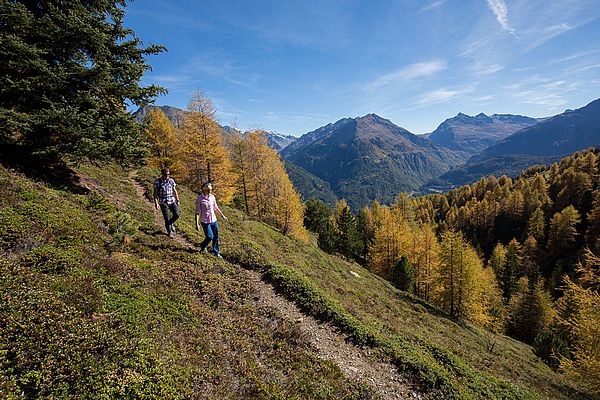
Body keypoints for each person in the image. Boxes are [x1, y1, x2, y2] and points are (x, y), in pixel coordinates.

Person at [195, 182, 228, 258]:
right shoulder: (199, 199)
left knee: (215, 237)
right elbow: (197, 212)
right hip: (205, 221)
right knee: (210, 236)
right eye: (208, 190)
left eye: (210, 190)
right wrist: (197, 224)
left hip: (213, 220)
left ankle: (216, 252)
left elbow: (216, 207)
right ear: (204, 190)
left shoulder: (212, 197)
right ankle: (203, 246)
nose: (209, 191)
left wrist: (223, 216)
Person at [153, 168, 180, 238]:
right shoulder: (158, 182)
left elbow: (174, 190)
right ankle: (169, 231)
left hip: (171, 200)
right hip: (163, 202)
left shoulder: (171, 181)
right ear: (162, 174)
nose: (167, 176)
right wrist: (156, 203)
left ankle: (171, 223)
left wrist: (177, 200)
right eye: (165, 175)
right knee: (167, 217)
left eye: (168, 175)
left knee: (177, 214)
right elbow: (155, 194)